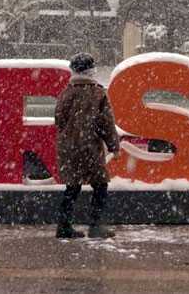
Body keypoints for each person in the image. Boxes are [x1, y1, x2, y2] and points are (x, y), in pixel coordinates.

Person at [55, 53, 120, 239]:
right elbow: (106, 123)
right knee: (100, 186)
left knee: (72, 187)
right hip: (90, 147)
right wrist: (114, 147)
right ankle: (96, 226)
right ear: (92, 71)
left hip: (69, 148)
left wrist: (70, 135)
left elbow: (59, 118)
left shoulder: (67, 92)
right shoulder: (98, 93)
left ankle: (64, 226)